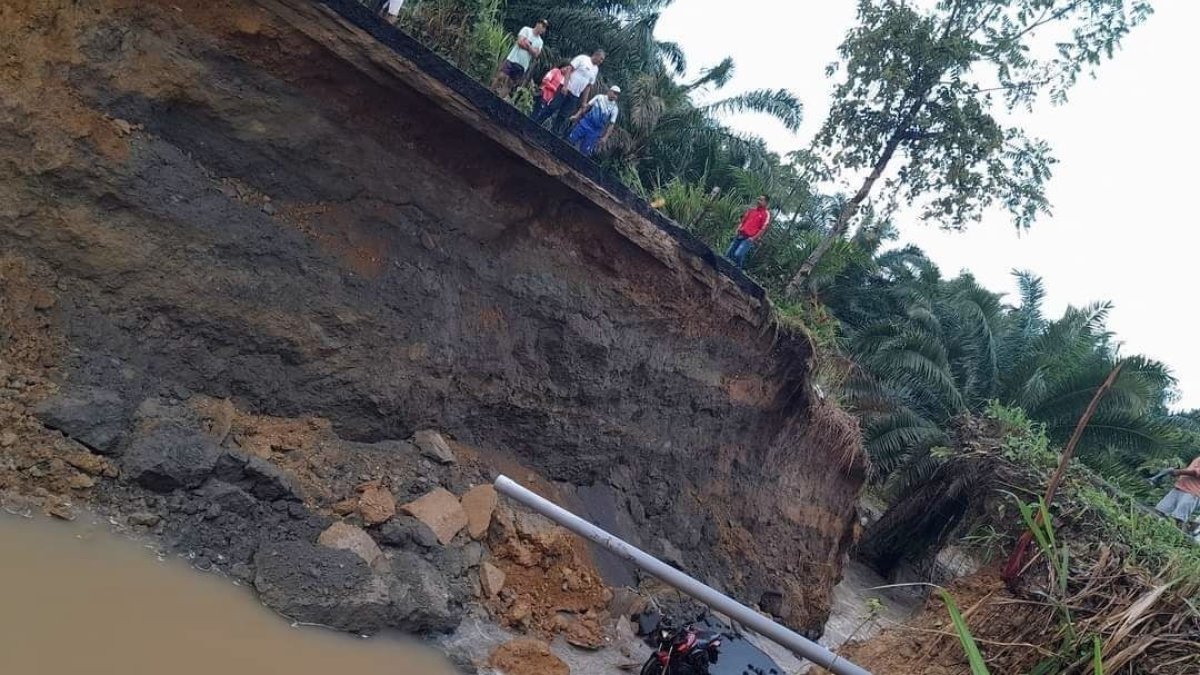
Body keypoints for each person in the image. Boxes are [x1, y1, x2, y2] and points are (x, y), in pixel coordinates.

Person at [535, 49, 605, 134]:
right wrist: (565, 85)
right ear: (596, 55)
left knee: (563, 116)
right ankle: (536, 123)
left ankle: (552, 134)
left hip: (575, 95)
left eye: (602, 60)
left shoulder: (595, 70)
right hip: (565, 89)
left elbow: (588, 86)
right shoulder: (583, 59)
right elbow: (569, 69)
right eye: (600, 58)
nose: (601, 61)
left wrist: (584, 102)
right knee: (552, 108)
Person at [492, 19, 548, 98]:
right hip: (512, 59)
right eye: (542, 25)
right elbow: (520, 42)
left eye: (545, 27)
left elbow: (536, 54)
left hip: (523, 65)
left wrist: (528, 45)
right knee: (501, 76)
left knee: (510, 83)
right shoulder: (526, 30)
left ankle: (498, 99)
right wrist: (531, 49)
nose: (543, 28)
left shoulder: (540, 42)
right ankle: (490, 92)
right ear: (537, 24)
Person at [567, 86, 620, 156]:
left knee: (584, 151)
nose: (615, 96)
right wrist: (576, 116)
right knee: (570, 140)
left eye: (617, 95)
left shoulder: (614, 108)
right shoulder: (599, 97)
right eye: (614, 93)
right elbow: (587, 106)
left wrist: (605, 137)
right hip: (585, 123)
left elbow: (611, 124)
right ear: (609, 91)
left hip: (595, 131)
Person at [724, 195, 771, 269]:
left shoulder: (766, 214)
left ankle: (738, 270)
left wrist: (753, 238)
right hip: (740, 234)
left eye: (761, 200)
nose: (759, 201)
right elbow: (743, 220)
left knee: (738, 254)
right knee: (729, 253)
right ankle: (725, 268)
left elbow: (763, 228)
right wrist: (738, 229)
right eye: (758, 199)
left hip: (749, 238)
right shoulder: (752, 210)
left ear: (766, 202)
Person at [1155, 454, 1200, 530]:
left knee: (1178, 520)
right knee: (1160, 511)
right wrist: (1178, 472)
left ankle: (1173, 539)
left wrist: (1179, 472)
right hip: (1179, 488)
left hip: (1192, 493)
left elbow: (1196, 472)